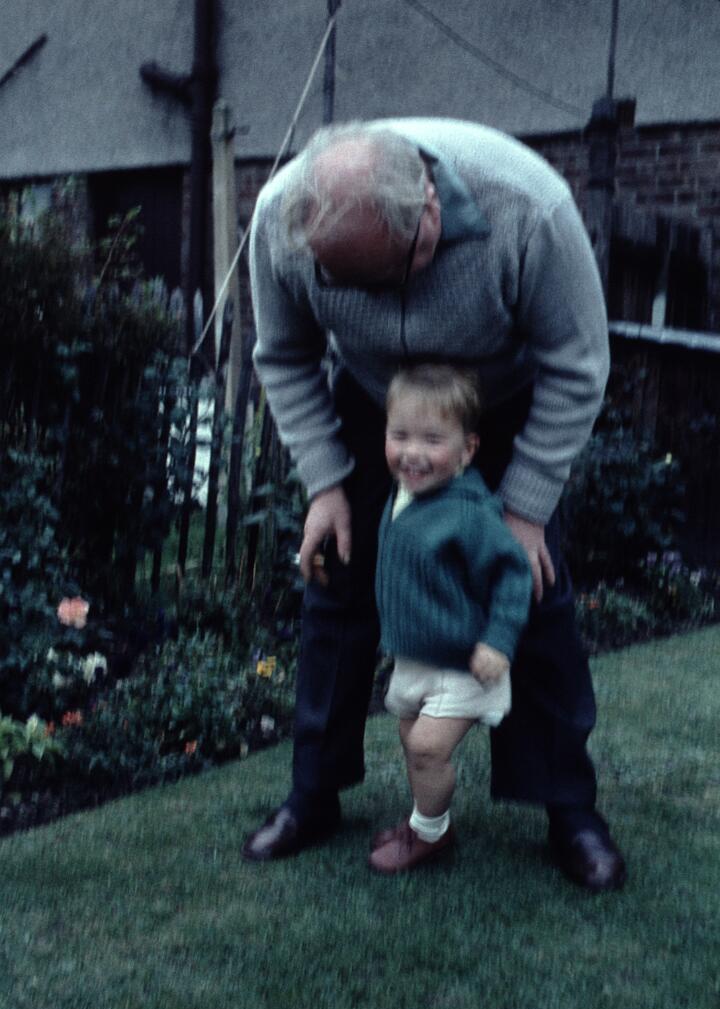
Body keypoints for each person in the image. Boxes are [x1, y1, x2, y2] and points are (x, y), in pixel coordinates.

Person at [242, 118, 627, 892]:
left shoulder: (529, 210)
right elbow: (284, 355)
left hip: (502, 407)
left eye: (392, 275)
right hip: (373, 405)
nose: (384, 302)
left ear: (428, 206)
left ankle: (569, 810)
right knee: (335, 585)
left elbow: (578, 366)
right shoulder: (280, 220)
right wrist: (325, 483)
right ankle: (313, 795)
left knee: (531, 595)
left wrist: (524, 512)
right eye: (354, 286)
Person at [370, 364, 532, 874]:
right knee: (412, 743)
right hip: (416, 659)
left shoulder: (468, 511)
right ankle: (427, 820)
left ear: (467, 450)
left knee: (425, 747)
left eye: (432, 440)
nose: (412, 452)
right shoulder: (403, 495)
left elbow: (512, 572)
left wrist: (498, 640)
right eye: (400, 436)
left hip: (467, 662)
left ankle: (429, 835)